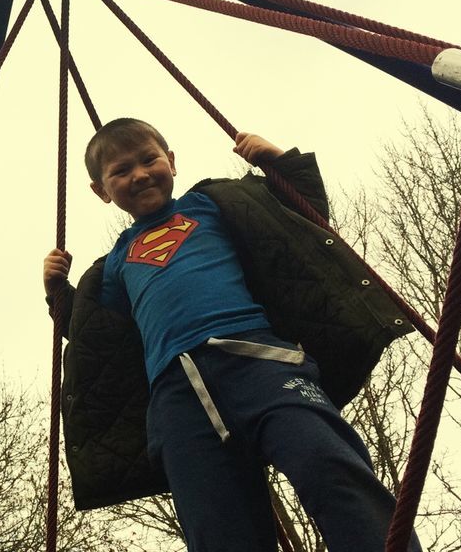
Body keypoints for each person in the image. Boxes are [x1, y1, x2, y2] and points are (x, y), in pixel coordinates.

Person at [42, 118, 421, 551]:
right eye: (121, 171)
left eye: (149, 159)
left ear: (172, 161)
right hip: (176, 395)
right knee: (218, 527)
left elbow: (302, 215)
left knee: (328, 463)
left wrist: (280, 163)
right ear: (102, 191)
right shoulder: (113, 264)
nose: (140, 174)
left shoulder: (211, 204)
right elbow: (95, 338)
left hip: (259, 362)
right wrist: (59, 294)